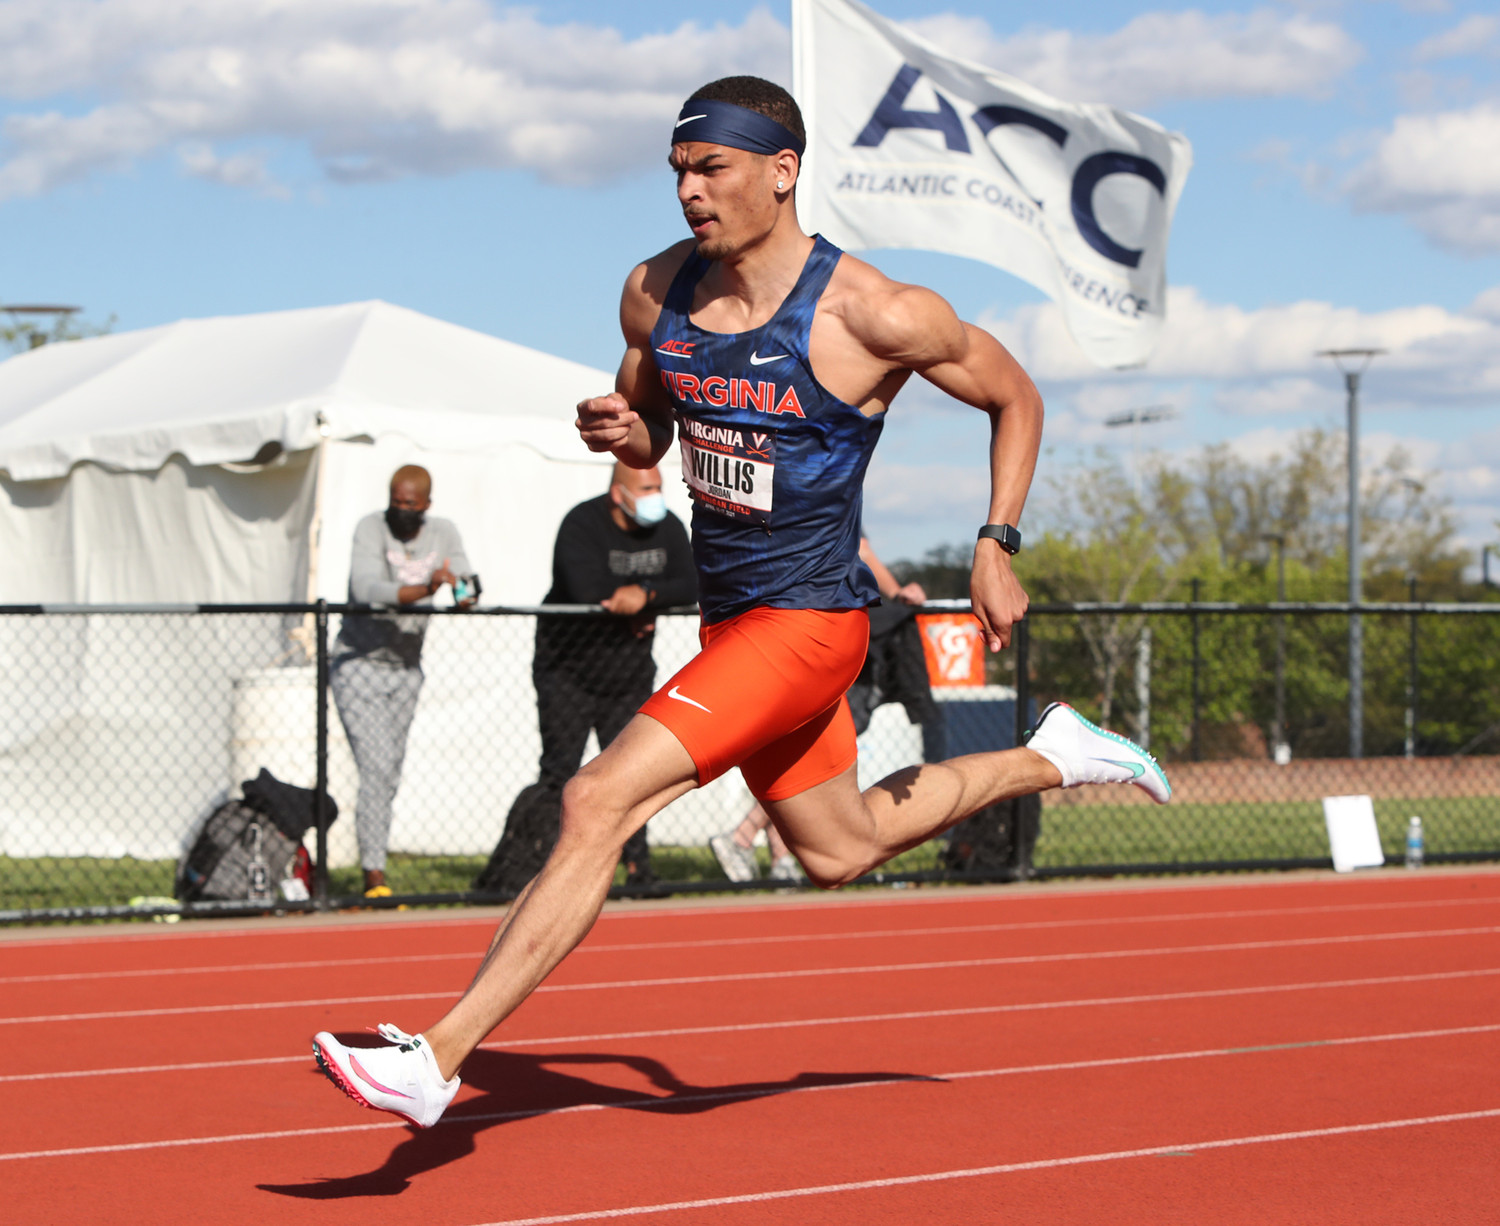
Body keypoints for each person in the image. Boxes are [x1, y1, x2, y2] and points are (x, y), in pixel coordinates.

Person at [313, 75, 1170, 1126]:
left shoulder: (877, 312)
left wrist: (996, 541)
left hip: (810, 624)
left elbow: (1015, 392)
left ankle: (437, 1055)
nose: (689, 190)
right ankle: (1059, 754)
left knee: (595, 799)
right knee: (840, 848)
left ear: (782, 169)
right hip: (735, 623)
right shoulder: (654, 293)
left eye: (710, 167)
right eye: (677, 170)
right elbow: (651, 424)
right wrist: (625, 434)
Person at [474, 462, 696, 894]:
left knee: (633, 775)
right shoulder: (581, 522)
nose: (656, 497)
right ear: (619, 493)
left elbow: (691, 582)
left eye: (658, 488)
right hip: (567, 670)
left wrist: (644, 597)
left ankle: (637, 870)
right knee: (560, 773)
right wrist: (630, 605)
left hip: (627, 675)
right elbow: (582, 587)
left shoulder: (667, 527)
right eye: (646, 488)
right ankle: (540, 870)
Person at [709, 535, 930, 883]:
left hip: (786, 630)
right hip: (811, 635)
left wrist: (896, 594)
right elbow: (862, 550)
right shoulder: (818, 496)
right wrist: (896, 593)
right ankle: (744, 836)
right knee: (802, 759)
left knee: (795, 758)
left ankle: (777, 852)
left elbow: (862, 548)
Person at [329, 464, 475, 898]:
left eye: (411, 505)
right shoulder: (370, 529)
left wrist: (463, 592)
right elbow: (367, 590)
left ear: (426, 505)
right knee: (376, 767)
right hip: (359, 662)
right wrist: (426, 590)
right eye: (396, 502)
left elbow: (465, 578)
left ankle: (375, 859)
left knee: (389, 770)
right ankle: (374, 874)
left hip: (406, 667)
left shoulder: (442, 532)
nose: (402, 511)